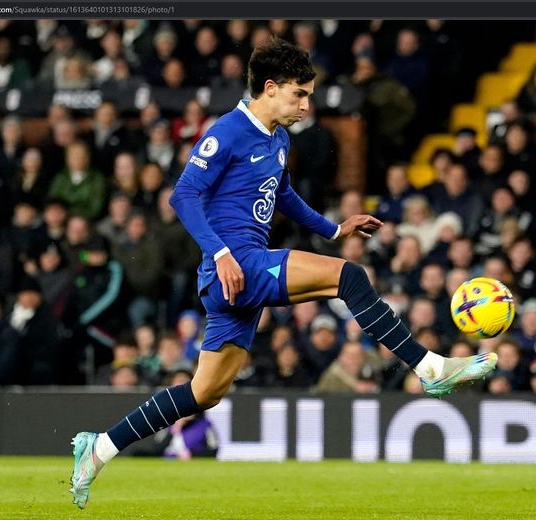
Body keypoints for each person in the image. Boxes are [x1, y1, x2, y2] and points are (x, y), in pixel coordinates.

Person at [69, 38, 497, 509]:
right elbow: (183, 196)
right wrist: (222, 253)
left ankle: (101, 447)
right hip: (236, 265)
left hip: (242, 274)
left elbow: (284, 194)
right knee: (350, 278)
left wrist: (333, 228)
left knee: (205, 391)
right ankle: (429, 367)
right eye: (300, 94)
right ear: (270, 88)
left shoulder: (278, 138)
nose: (306, 104)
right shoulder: (228, 131)